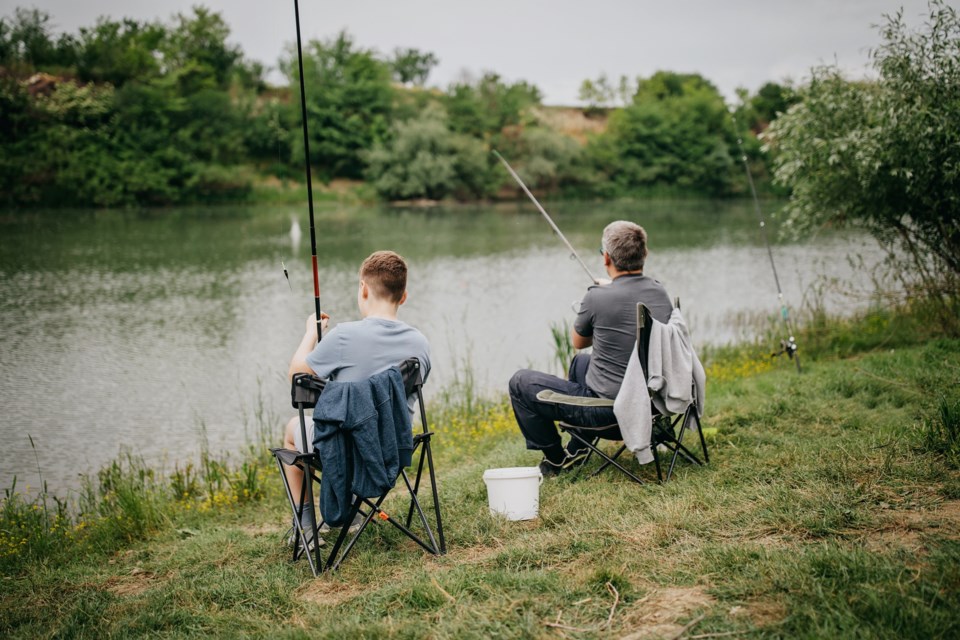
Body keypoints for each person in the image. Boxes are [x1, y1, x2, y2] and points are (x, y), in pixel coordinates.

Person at [282, 250, 430, 544]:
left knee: (291, 430)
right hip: (394, 449)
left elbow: (297, 379)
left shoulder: (343, 336)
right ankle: (353, 510)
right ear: (403, 297)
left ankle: (307, 526)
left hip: (342, 453)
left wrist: (311, 334)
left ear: (363, 288)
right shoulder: (420, 344)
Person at [509, 220, 672, 476]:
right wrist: (612, 288)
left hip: (612, 413)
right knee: (581, 363)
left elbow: (578, 342)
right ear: (645, 254)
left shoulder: (597, 297)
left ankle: (556, 460)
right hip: (653, 404)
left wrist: (598, 293)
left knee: (520, 382)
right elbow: (629, 296)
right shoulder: (659, 291)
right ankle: (580, 447)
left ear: (606, 257)